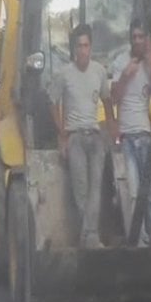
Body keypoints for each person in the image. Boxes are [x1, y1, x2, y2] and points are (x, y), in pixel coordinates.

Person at [50, 24, 116, 248]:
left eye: (86, 45)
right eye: (79, 46)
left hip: (95, 136)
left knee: (96, 187)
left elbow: (108, 102)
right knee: (81, 188)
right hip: (75, 137)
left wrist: (110, 131)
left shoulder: (99, 71)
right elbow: (53, 103)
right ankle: (89, 236)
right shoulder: (64, 74)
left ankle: (90, 236)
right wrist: (62, 134)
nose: (83, 50)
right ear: (74, 49)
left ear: (91, 48)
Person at [110, 18, 151, 247]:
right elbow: (114, 98)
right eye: (133, 37)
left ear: (146, 40)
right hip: (126, 137)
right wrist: (126, 75)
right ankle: (140, 239)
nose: (137, 41)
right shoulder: (120, 62)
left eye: (141, 37)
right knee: (134, 192)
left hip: (145, 135)